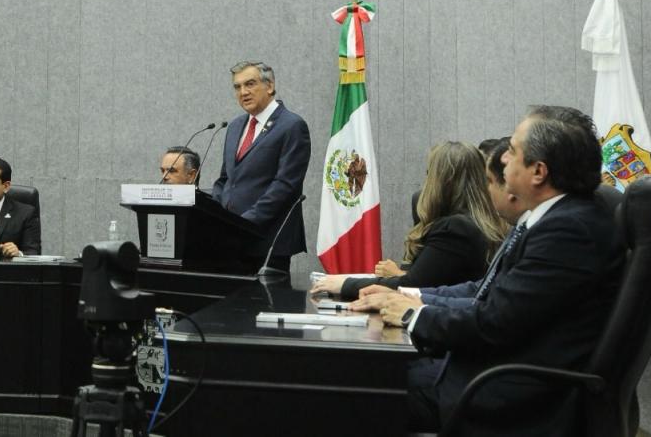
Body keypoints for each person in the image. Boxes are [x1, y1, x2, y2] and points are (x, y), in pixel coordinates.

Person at [377, 106, 621, 435]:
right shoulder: (557, 218)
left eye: (513, 151)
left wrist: (413, 315)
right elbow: (489, 296)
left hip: (505, 399)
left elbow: (493, 322)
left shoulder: (568, 231)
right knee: (370, 372)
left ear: (538, 172)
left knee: (357, 387)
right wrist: (412, 297)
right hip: (487, 373)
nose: (503, 158)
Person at [312, 141, 507, 301]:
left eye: (429, 174)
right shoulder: (484, 221)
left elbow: (412, 284)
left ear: (442, 181)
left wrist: (345, 284)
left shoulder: (456, 228)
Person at [211, 61, 311, 272]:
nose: (243, 92)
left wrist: (244, 224)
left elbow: (285, 185)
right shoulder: (235, 126)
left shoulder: (292, 125)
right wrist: (217, 218)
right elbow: (225, 179)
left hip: (267, 241)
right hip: (230, 240)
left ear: (270, 86)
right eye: (237, 87)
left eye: (250, 84)